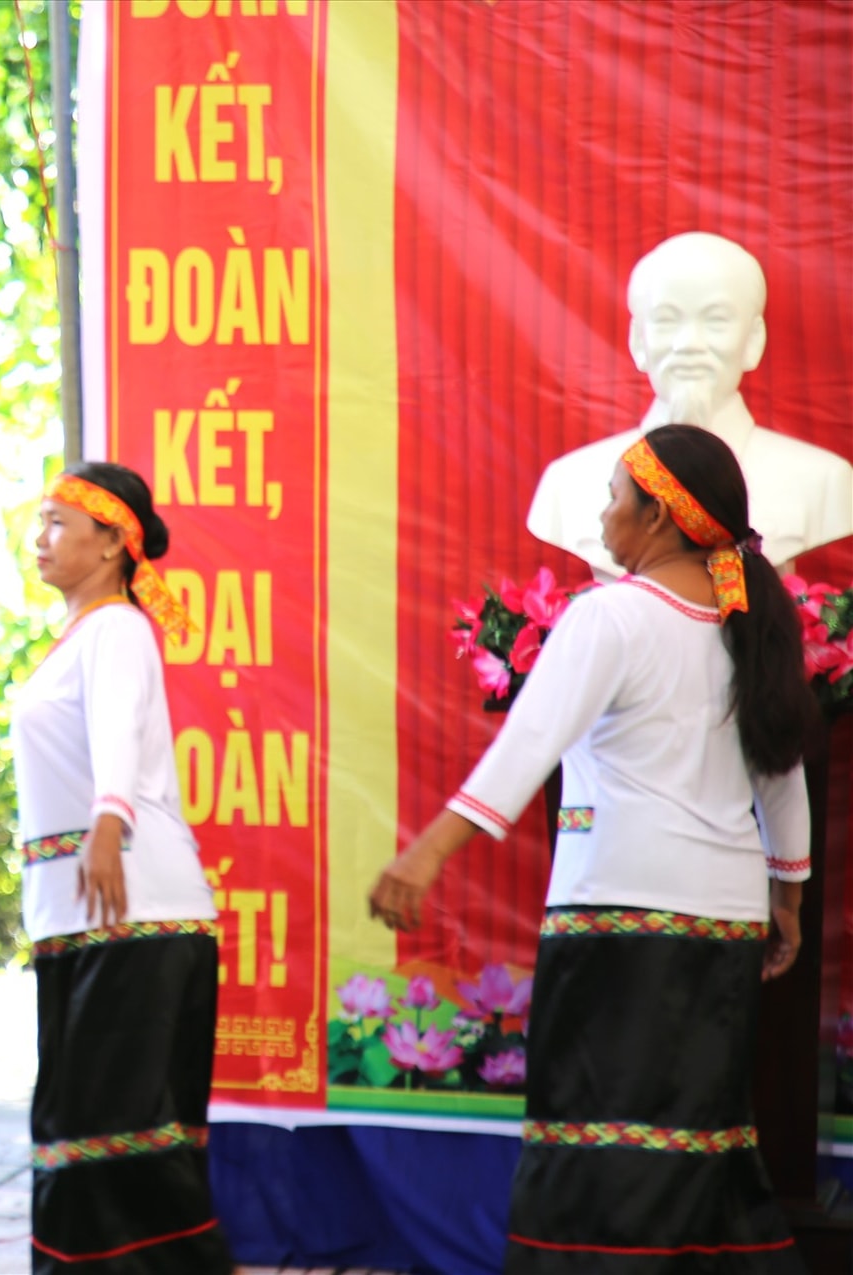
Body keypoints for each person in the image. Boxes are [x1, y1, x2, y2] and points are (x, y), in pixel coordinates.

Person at [373, 424, 817, 1269]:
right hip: (723, 921)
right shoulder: (748, 624)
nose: (603, 511)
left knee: (598, 1145)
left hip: (620, 912)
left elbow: (528, 742)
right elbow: (781, 767)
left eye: (615, 495)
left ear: (656, 517)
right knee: (695, 1143)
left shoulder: (611, 615)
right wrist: (785, 896)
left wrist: (428, 850)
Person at [13, 463, 230, 1274]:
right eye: (40, 520)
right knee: (88, 1132)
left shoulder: (117, 627)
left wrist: (109, 822)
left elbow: (118, 730)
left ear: (113, 542)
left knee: (118, 1134)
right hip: (86, 916)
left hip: (136, 907)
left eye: (60, 522)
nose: (41, 537)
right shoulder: (78, 635)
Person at [526, 231, 853, 576]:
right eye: (667, 320)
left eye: (716, 320)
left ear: (753, 339)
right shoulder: (569, 482)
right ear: (639, 340)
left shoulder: (825, 481)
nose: (688, 344)